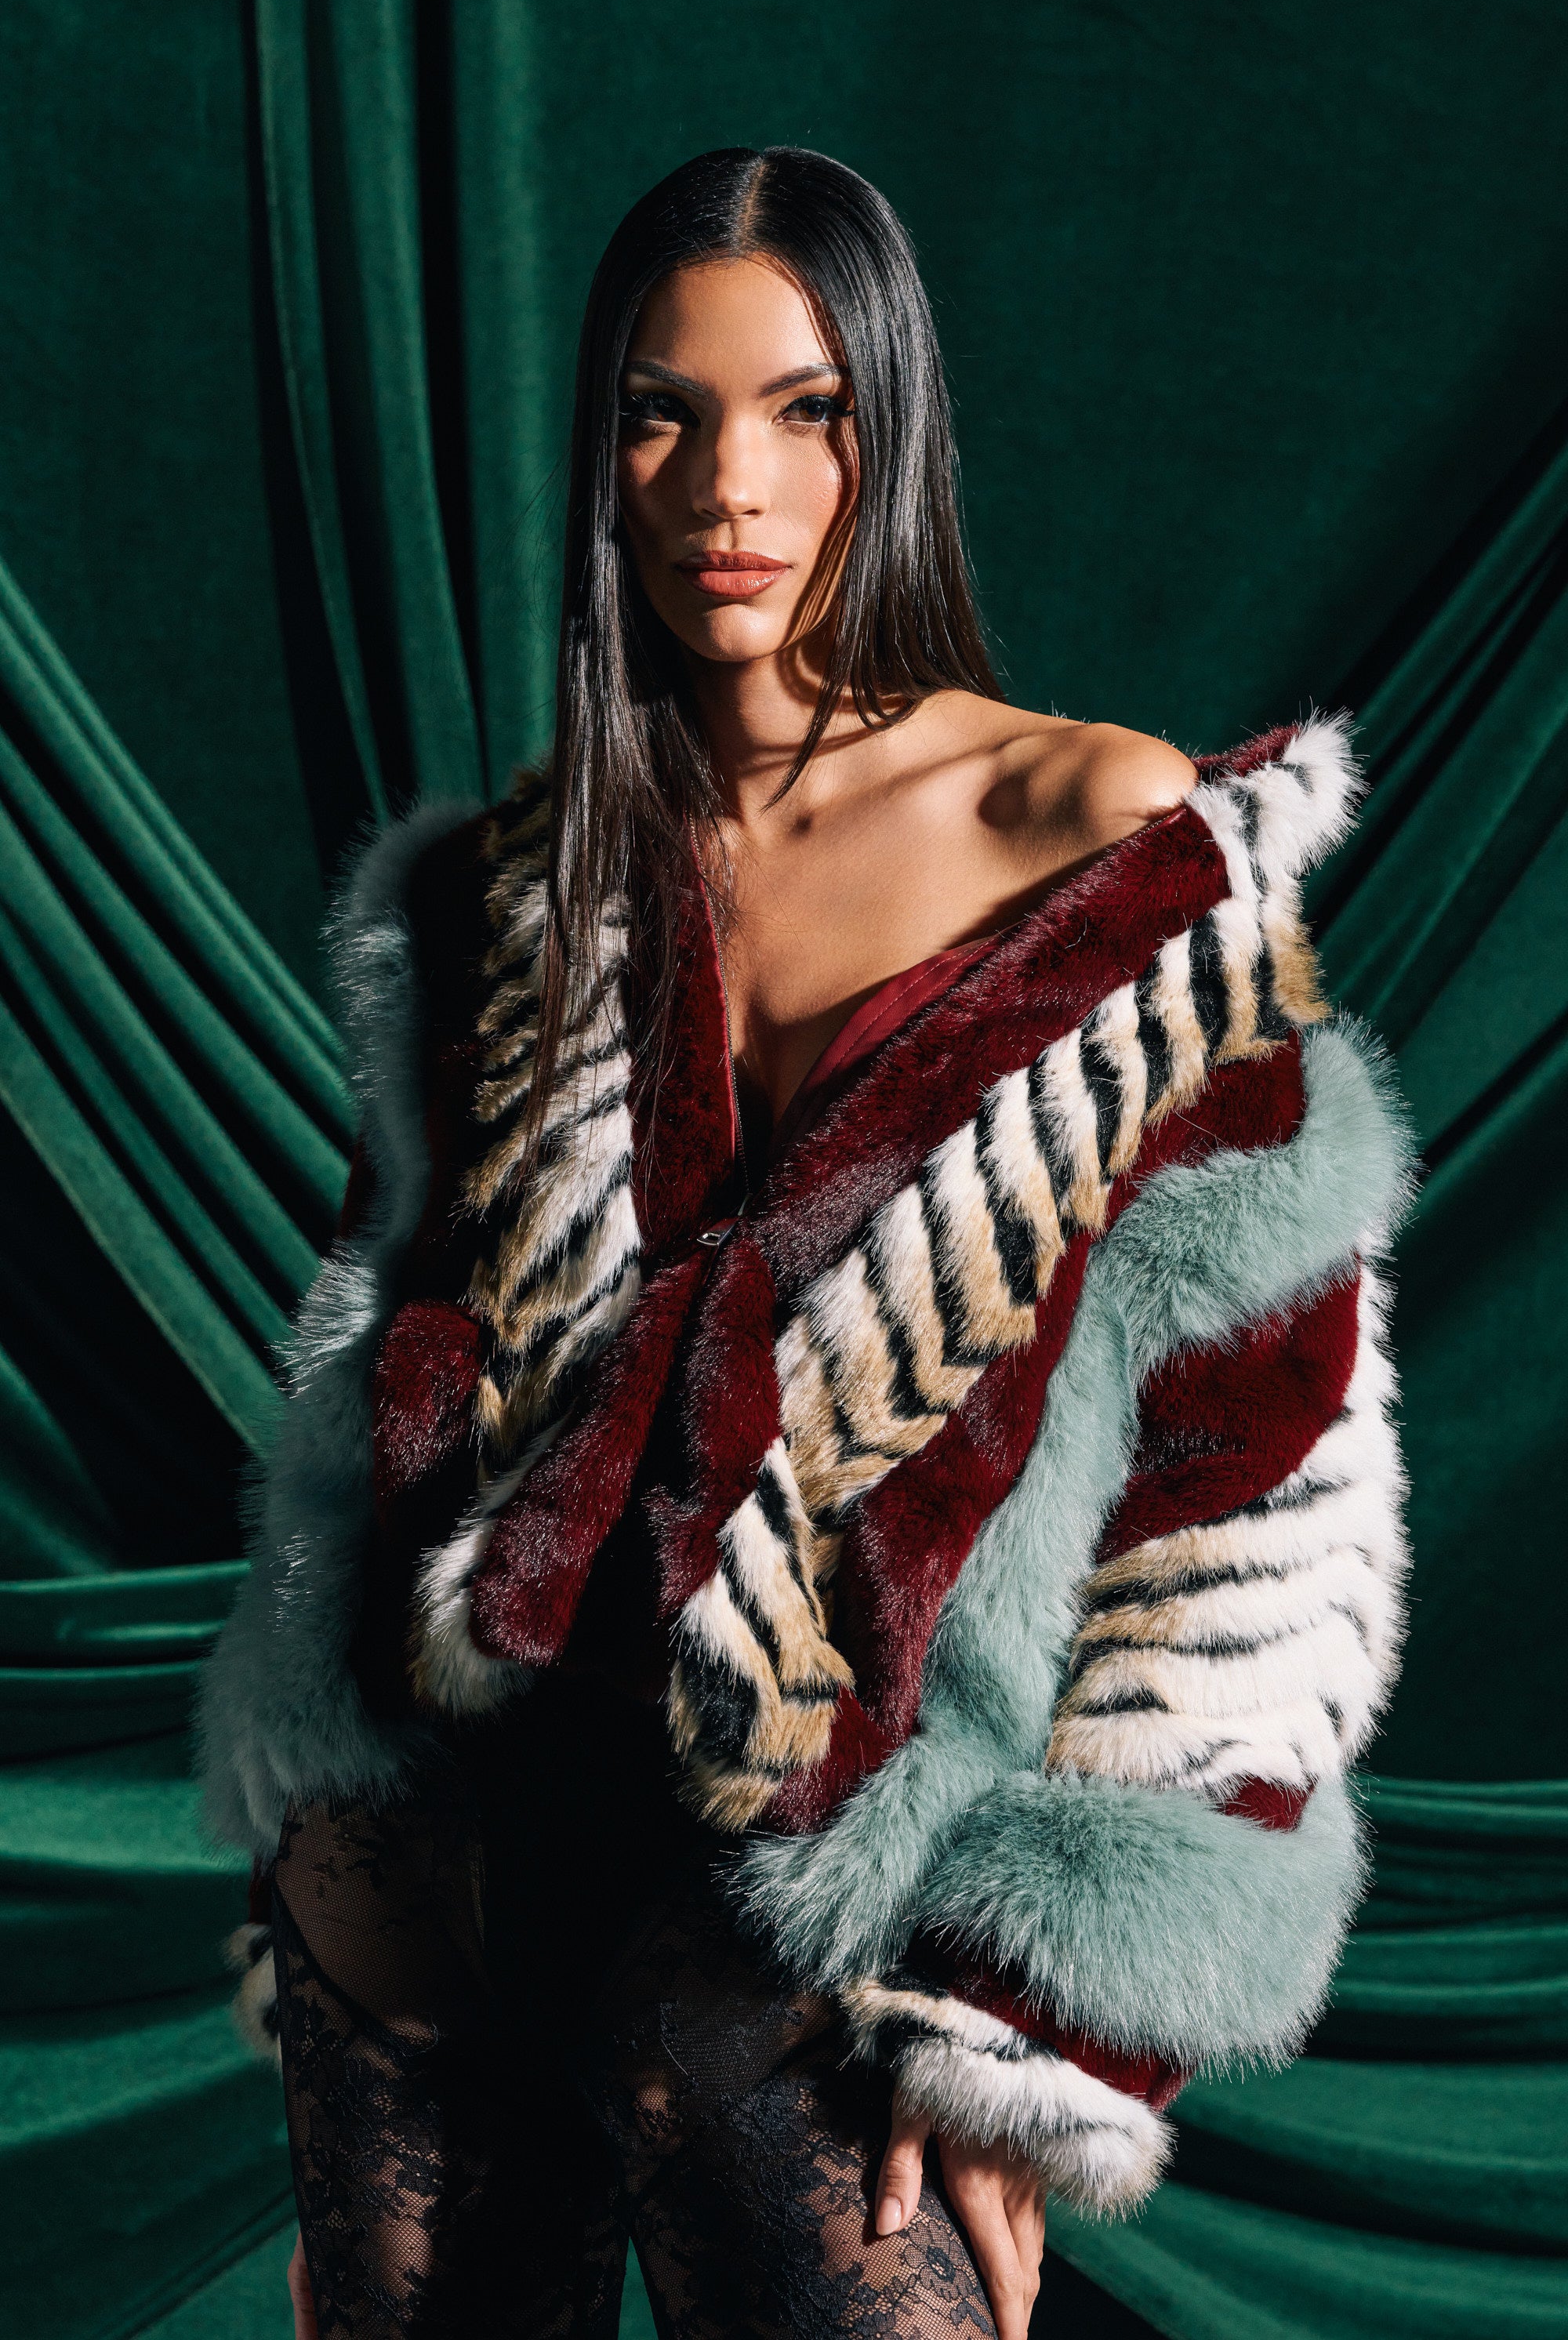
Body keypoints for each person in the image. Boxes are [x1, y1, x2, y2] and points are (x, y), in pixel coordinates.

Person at [198, 146, 1413, 2340]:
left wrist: (1037, 2014)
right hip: (446, 1889)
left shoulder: (1106, 844)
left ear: (894, 429)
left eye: (805, 410)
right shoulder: (508, 895)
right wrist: (320, 1823)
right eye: (663, 414)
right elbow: (375, 1348)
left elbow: (1259, 1479)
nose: (726, 485)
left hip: (810, 1924)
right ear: (604, 451)